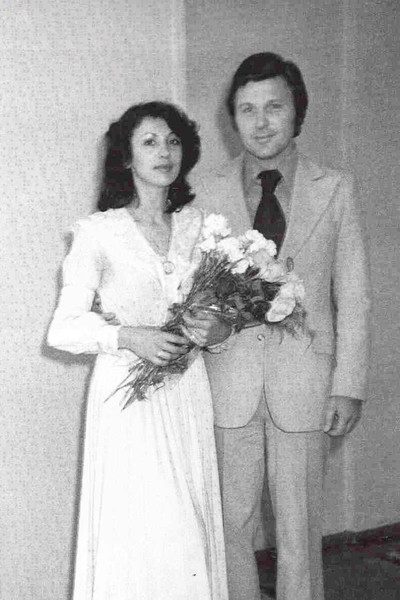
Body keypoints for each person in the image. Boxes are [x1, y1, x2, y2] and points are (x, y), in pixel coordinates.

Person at [192, 53, 370, 600]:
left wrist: (348, 385)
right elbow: (193, 290)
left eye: (274, 106)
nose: (261, 122)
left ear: (298, 112)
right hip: (229, 384)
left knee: (299, 532)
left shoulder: (334, 188)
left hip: (306, 385)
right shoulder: (205, 192)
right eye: (247, 109)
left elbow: (354, 297)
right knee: (229, 527)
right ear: (232, 118)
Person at [47, 101, 228, 600]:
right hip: (128, 401)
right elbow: (63, 329)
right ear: (126, 157)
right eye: (149, 142)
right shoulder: (97, 232)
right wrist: (130, 336)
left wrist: (215, 331)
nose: (164, 151)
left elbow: (219, 321)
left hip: (187, 395)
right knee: (147, 531)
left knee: (189, 529)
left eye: (173, 141)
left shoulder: (201, 228)